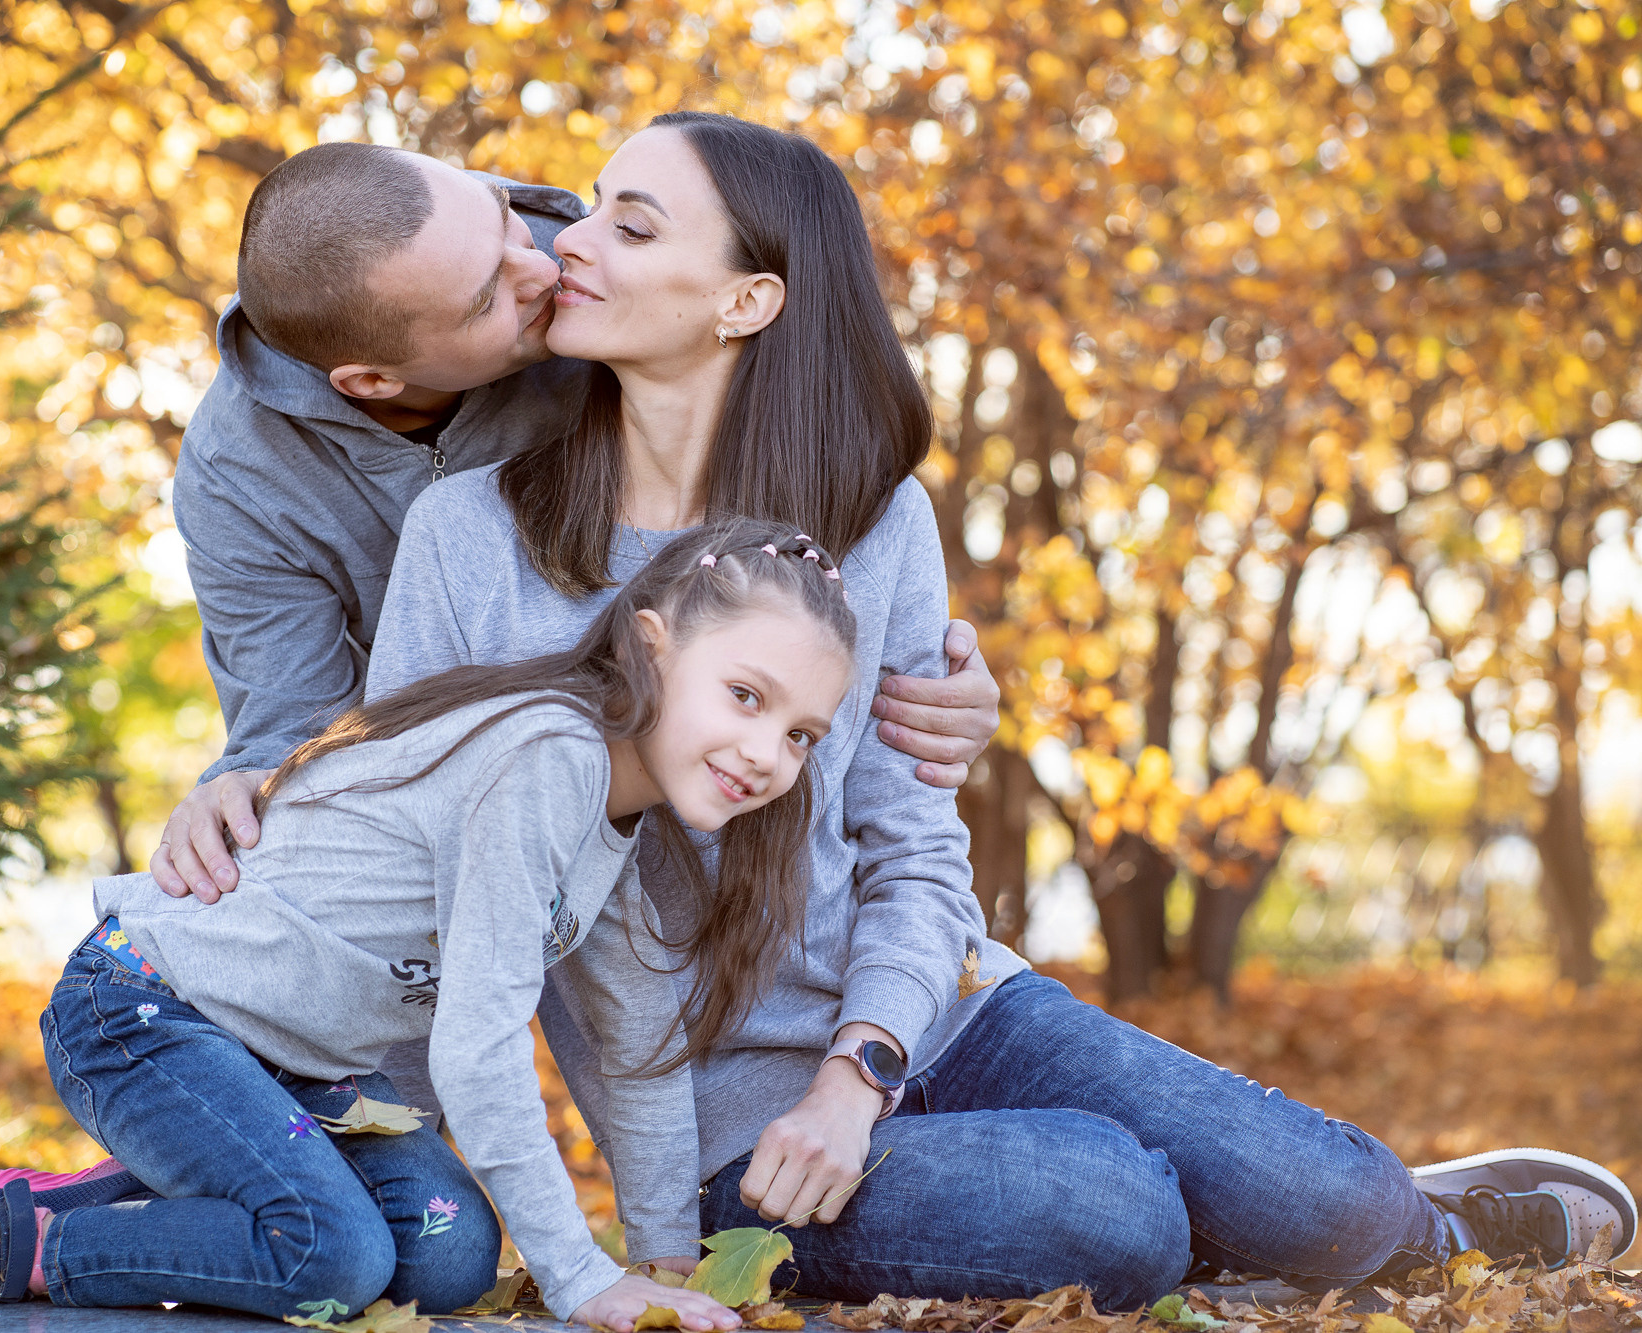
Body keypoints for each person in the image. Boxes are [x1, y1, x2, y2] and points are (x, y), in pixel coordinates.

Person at [366, 111, 1638, 1306]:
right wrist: (381, 1154)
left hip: (943, 1011)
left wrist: (859, 1067)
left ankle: (1411, 1231)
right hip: (728, 1128)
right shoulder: (470, 539)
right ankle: (1202, 1225)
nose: (567, 243)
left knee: (1337, 1195)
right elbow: (407, 864)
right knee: (1110, 1207)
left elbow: (912, 850)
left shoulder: (868, 526)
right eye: (589, 210)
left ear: (747, 301)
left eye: (629, 226)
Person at [0, 518, 859, 1329]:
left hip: (292, 1067)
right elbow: (476, 1052)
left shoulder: (613, 826)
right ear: (652, 643)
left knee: (450, 1252)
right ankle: (0, 1235)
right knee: (329, 1254)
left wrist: (665, 1262)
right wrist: (581, 1278)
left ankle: (160, 1181)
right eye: (744, 696)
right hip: (147, 1007)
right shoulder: (547, 760)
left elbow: (637, 1044)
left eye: (799, 733)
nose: (767, 752)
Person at [145, 141, 1001, 907]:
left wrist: (894, 676)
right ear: (371, 382)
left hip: (773, 886)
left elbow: (772, 344)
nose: (548, 269)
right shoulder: (242, 477)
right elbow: (312, 739)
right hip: (526, 843)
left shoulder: (592, 287)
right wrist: (247, 788)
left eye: (507, 219)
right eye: (492, 297)